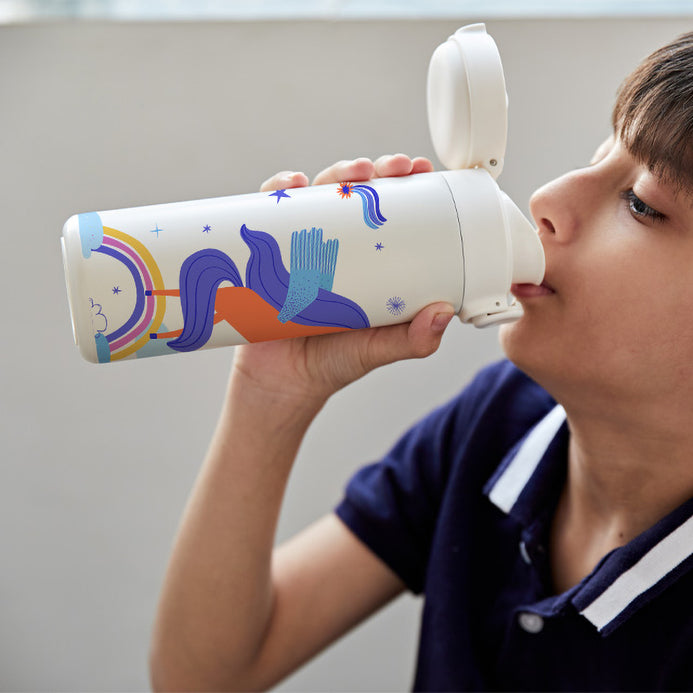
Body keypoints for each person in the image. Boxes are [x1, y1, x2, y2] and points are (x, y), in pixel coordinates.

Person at [149, 30, 693, 691]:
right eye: (596, 155)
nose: (548, 198)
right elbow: (204, 673)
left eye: (640, 203)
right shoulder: (499, 420)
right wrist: (271, 391)